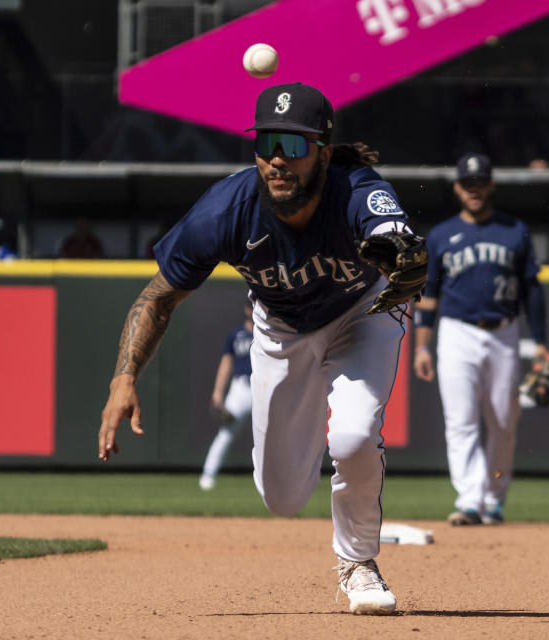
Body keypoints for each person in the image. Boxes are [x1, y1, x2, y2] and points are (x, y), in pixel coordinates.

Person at [97, 82, 423, 616]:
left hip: (360, 314)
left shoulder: (357, 190)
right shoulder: (226, 209)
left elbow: (393, 235)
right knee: (282, 497)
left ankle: (358, 563)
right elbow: (157, 299)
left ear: (321, 147)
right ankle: (311, 431)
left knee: (354, 434)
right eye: (267, 142)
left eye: (293, 145)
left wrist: (398, 249)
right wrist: (123, 377)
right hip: (281, 330)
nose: (277, 158)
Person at [412, 152, 549, 527]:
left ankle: (494, 499)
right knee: (460, 421)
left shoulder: (514, 230)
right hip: (456, 333)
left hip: (503, 332)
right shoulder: (441, 235)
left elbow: (532, 290)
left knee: (504, 420)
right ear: (457, 188)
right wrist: (422, 345)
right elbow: (428, 296)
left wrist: (540, 342)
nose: (474, 189)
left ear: (491, 185)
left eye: (480, 183)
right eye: (467, 183)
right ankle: (470, 499)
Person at [199, 302, 254, 491]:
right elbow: (226, 364)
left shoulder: (270, 334)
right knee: (226, 433)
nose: (253, 309)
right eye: (251, 306)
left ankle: (275, 484)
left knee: (272, 436)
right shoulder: (236, 335)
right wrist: (217, 393)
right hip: (241, 388)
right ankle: (208, 474)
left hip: (264, 388)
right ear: (247, 309)